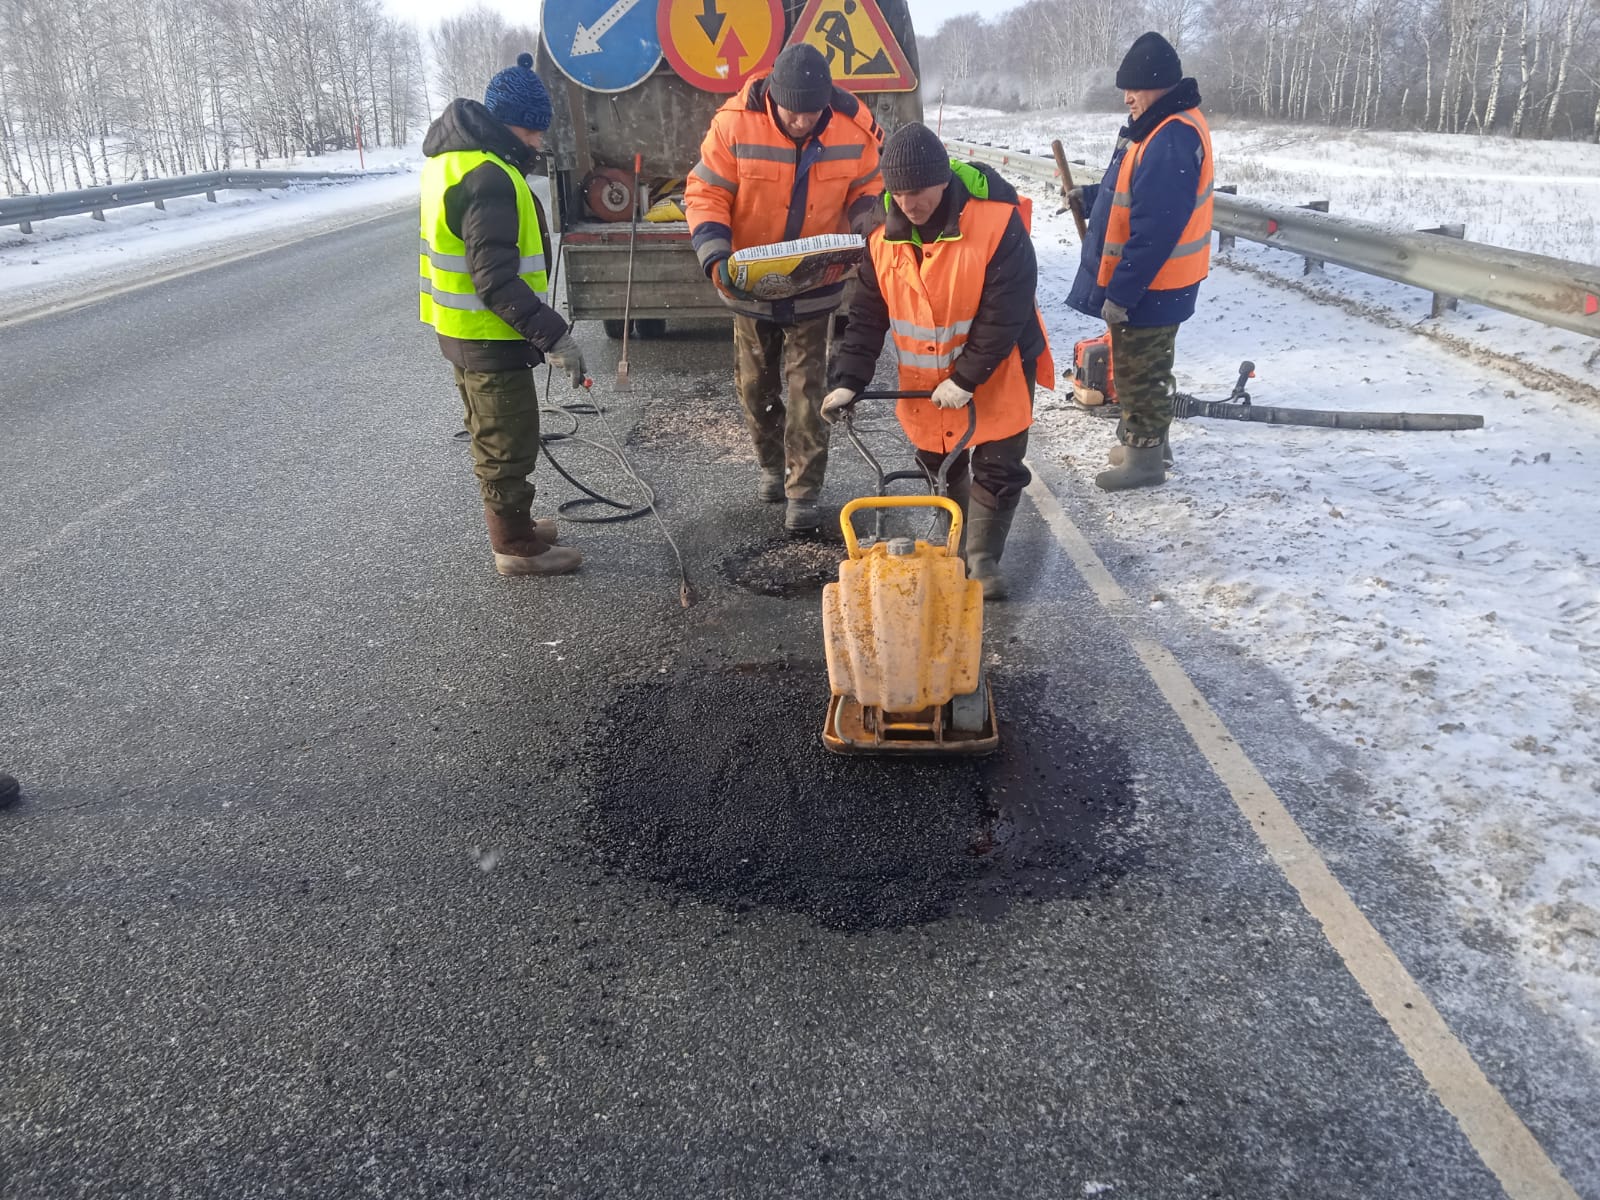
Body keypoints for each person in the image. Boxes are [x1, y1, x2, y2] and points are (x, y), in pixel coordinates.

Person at [822, 122, 1054, 601]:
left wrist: (968, 378)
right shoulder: (880, 238)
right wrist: (848, 381)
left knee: (998, 462)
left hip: (999, 364)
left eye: (921, 191)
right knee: (940, 462)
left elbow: (1005, 310)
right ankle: (953, 547)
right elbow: (866, 316)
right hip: (925, 377)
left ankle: (984, 559)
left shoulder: (995, 223)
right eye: (900, 192)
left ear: (943, 180)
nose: (911, 203)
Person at [684, 43, 883, 533]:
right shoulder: (733, 125)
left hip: (817, 285)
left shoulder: (853, 128)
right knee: (756, 387)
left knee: (807, 391)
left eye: (811, 112)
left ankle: (804, 492)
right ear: (774, 97)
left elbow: (868, 189)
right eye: (792, 112)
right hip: (751, 284)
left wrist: (865, 227)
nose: (801, 121)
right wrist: (714, 253)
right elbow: (706, 192)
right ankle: (771, 465)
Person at [419, 53, 585, 576]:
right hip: (489, 336)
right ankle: (514, 546)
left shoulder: (452, 160)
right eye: (532, 131)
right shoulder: (489, 175)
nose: (537, 142)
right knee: (506, 441)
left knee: (492, 432)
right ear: (506, 122)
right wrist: (553, 336)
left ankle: (518, 524)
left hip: (463, 331)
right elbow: (495, 279)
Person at [1066, 31, 1213, 492]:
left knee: (1138, 373)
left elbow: (1155, 230)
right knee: (1148, 368)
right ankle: (1150, 445)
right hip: (1158, 284)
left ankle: (1144, 463)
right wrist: (1090, 197)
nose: (1127, 98)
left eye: (1135, 89)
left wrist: (1121, 293)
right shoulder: (1157, 128)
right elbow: (1131, 193)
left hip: (1152, 285)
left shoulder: (1170, 137)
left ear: (1161, 86)